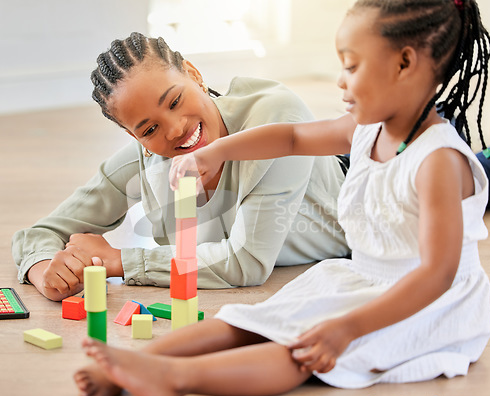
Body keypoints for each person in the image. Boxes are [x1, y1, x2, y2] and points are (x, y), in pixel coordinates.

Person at [75, 0, 490, 396]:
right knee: (249, 321)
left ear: (404, 65)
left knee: (300, 351)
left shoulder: (439, 161)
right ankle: (132, 368)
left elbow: (436, 276)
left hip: (424, 304)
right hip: (361, 278)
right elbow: (292, 138)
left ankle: (175, 380)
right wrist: (214, 152)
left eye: (351, 66)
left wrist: (347, 328)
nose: (340, 82)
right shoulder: (366, 129)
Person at [12, 32, 351, 301]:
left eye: (174, 101)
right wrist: (46, 273)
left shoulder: (276, 116)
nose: (174, 130)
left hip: (363, 196)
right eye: (148, 130)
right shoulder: (145, 158)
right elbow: (41, 233)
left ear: (193, 74)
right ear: (134, 136)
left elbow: (246, 263)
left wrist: (119, 260)